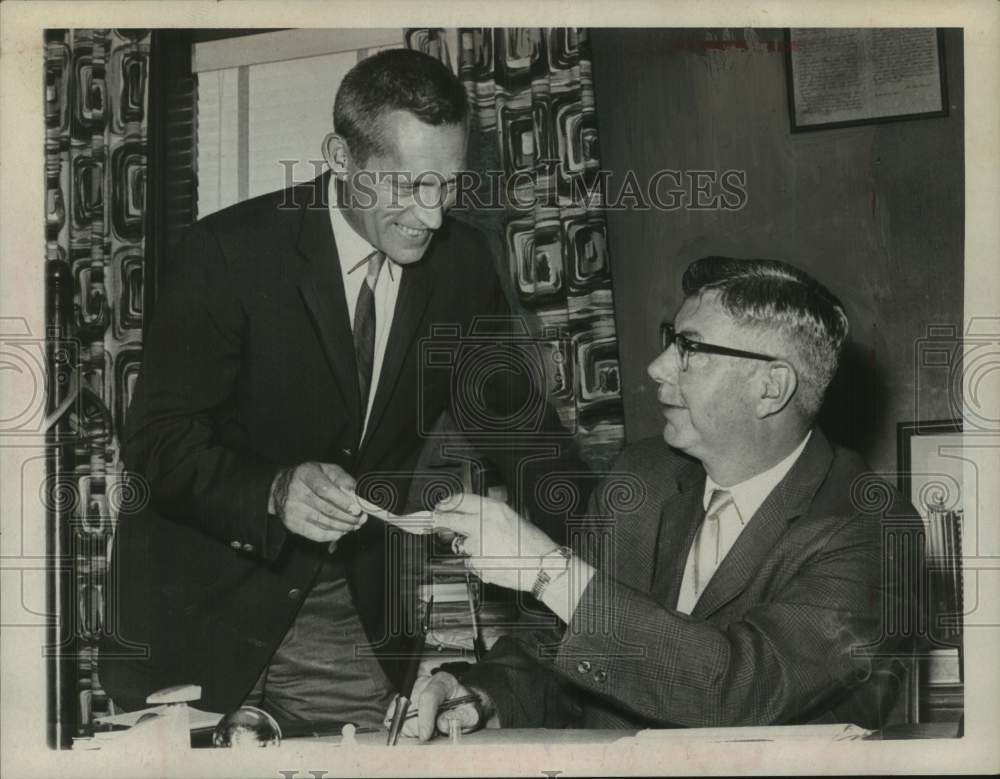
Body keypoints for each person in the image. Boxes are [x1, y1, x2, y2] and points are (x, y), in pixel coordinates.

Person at [100, 49, 585, 728]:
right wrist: (271, 489)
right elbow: (155, 439)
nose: (434, 216)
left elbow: (524, 433)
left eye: (447, 185)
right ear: (341, 156)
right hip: (199, 607)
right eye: (410, 186)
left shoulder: (463, 265)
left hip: (345, 606)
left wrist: (600, 574)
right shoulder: (225, 255)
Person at [401, 256, 916, 739]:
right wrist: (481, 695)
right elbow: (556, 646)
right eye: (670, 340)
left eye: (689, 349)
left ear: (771, 387)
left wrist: (547, 569)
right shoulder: (642, 476)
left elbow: (740, 691)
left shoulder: (870, 526)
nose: (657, 367)